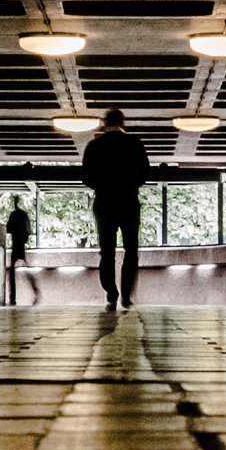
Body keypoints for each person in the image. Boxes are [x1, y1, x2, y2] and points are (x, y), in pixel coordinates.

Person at [78, 109, 149, 311]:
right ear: (123, 123)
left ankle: (111, 294)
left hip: (104, 203)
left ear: (104, 123)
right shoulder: (135, 143)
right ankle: (126, 295)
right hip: (128, 201)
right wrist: (129, 183)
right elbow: (145, 172)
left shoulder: (94, 145)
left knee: (107, 251)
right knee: (131, 249)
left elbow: (85, 177)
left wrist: (103, 185)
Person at [4, 201, 31, 304]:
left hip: (15, 245)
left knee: (12, 273)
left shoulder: (14, 214)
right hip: (21, 245)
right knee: (25, 268)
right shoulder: (24, 214)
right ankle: (34, 288)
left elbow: (8, 229)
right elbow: (28, 231)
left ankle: (12, 298)